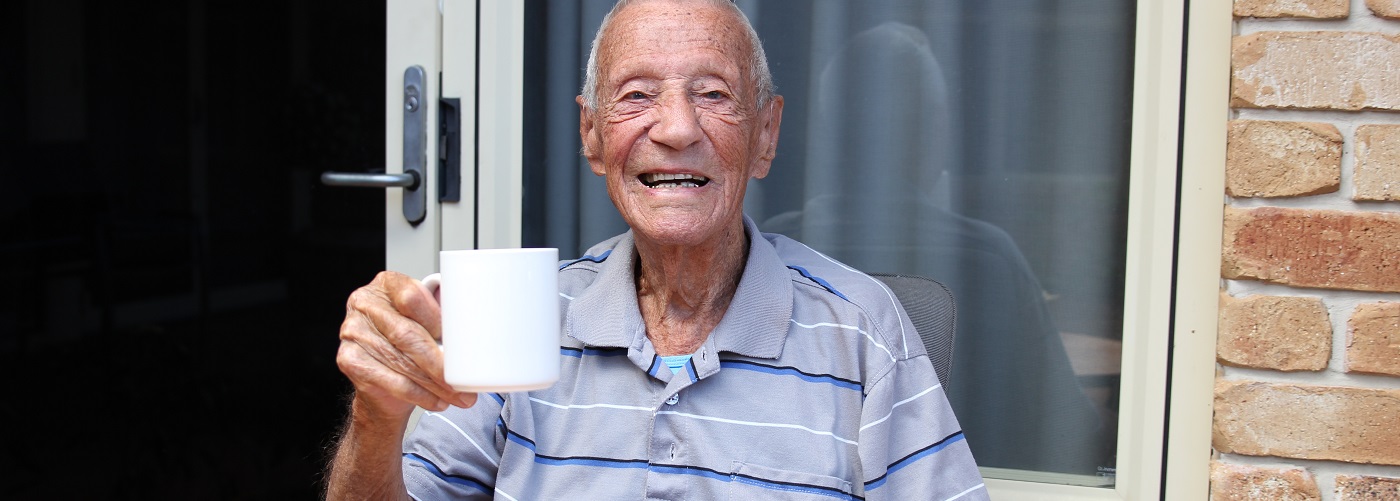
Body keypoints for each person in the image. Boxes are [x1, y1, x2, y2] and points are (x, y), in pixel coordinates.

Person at [326, 0, 987, 499]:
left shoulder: (863, 331)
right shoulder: (527, 320)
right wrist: (378, 416)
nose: (675, 129)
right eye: (637, 95)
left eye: (713, 94)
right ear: (592, 135)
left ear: (765, 135)